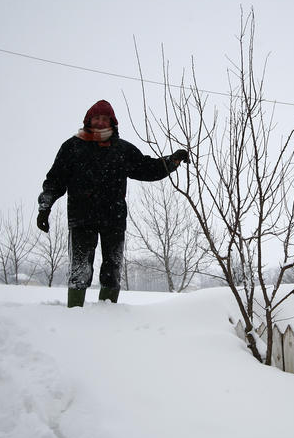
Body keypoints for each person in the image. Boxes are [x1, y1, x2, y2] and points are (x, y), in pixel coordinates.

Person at [37, 99, 189, 307]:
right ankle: (74, 314)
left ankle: (109, 317)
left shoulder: (121, 149)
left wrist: (172, 161)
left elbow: (147, 168)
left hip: (114, 219)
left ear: (112, 122)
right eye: (96, 118)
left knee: (112, 268)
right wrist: (45, 207)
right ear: (89, 120)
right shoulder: (73, 146)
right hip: (81, 218)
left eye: (105, 119)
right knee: (80, 269)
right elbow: (55, 180)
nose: (100, 122)